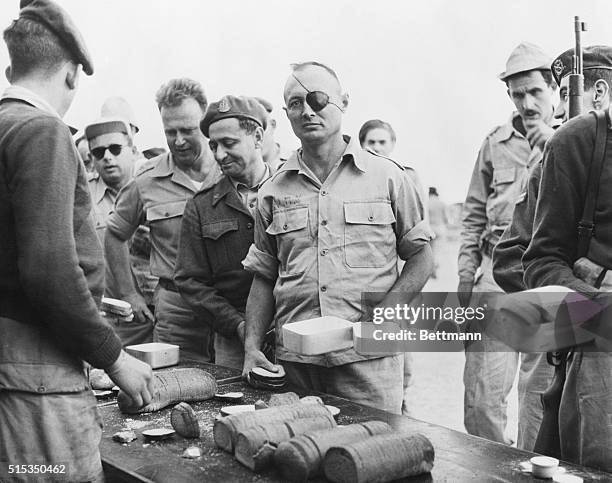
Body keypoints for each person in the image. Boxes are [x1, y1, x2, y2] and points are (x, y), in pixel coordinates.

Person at [0, 1, 152, 480]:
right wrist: (115, 358)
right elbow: (47, 270)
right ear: (71, 75)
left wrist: (96, 299)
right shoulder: (41, 130)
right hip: (38, 369)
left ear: (12, 67)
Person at [241, 61, 432, 414]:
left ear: (343, 102)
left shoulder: (388, 178)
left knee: (376, 455)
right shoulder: (272, 190)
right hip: (297, 366)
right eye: (296, 103)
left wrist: (386, 314)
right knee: (300, 454)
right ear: (286, 114)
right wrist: (252, 346)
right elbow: (263, 276)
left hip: (369, 362)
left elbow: (421, 257)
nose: (308, 110)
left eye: (318, 98)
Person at [493, 45, 612, 451]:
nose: (562, 106)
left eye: (564, 94)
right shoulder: (566, 149)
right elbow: (515, 257)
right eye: (561, 94)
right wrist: (585, 297)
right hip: (565, 328)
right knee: (546, 443)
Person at [458, 42, 558, 444]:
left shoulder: (575, 138)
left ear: (553, 88)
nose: (527, 102)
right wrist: (465, 275)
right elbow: (473, 214)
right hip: (496, 278)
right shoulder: (494, 143)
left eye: (535, 91)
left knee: (541, 398)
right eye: (518, 94)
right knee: (482, 395)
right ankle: (491, 468)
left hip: (549, 279)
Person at [105, 78, 221, 362]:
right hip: (177, 312)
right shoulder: (147, 181)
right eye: (170, 132)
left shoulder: (229, 171)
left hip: (230, 307)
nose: (179, 141)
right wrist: (129, 293)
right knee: (176, 386)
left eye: (188, 130)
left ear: (204, 123)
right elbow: (115, 234)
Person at [175, 96, 271, 370]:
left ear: (257, 137)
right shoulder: (201, 205)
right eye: (214, 146)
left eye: (229, 144)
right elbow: (190, 281)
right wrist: (237, 325)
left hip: (290, 329)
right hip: (234, 340)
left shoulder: (291, 191)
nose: (219, 155)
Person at [255, 96, 288, 171]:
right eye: (249, 132)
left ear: (273, 125)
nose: (256, 138)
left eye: (261, 129)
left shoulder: (297, 159)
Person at [428, 186, 449, 279]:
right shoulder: (442, 204)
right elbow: (446, 218)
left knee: (429, 251)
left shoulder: (426, 203)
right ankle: (435, 266)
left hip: (429, 228)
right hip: (440, 227)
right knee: (438, 250)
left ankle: (430, 268)